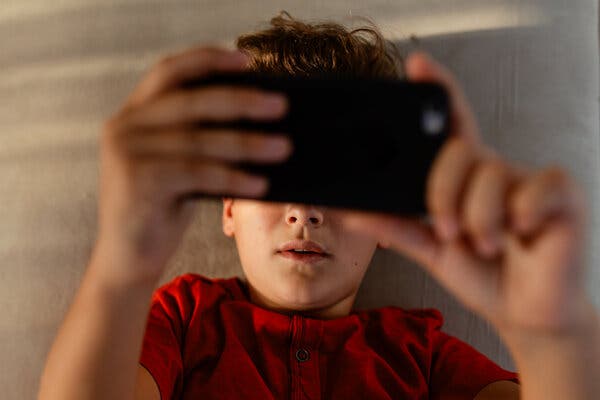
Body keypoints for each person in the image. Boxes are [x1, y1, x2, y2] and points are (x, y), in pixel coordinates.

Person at [38, 11, 599, 400]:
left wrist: (551, 336)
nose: (304, 211)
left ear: (388, 215)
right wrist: (119, 270)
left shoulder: (421, 356)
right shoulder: (183, 321)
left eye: (338, 177)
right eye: (279, 173)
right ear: (227, 205)